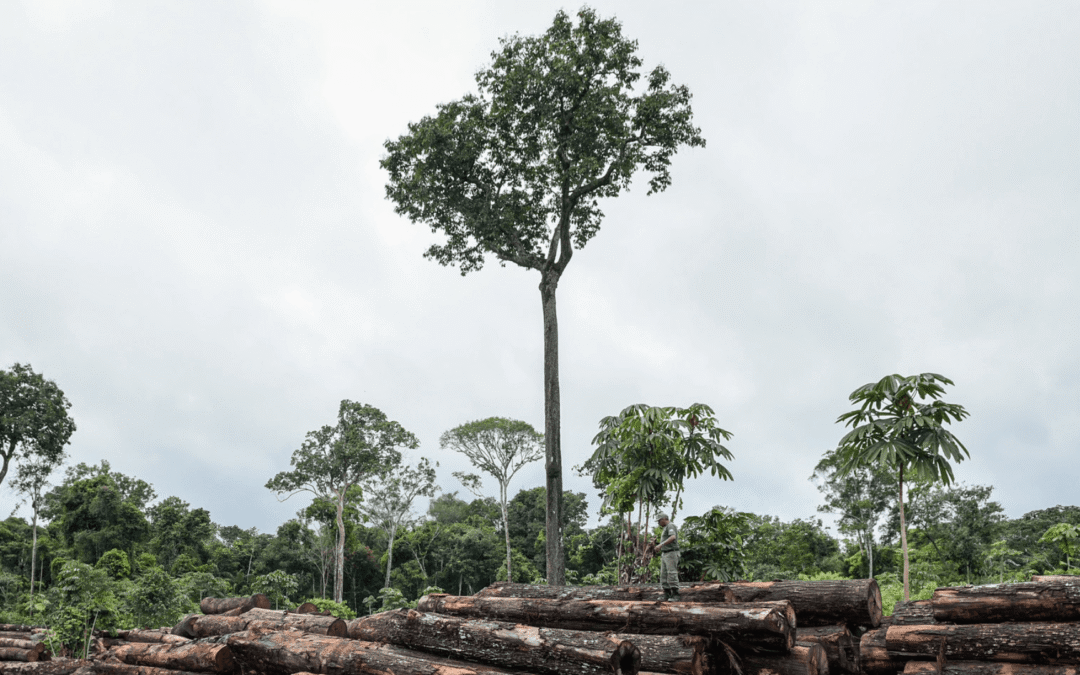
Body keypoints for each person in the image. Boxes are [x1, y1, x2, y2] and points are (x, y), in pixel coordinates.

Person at [655, 513, 680, 601]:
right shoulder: (665, 528)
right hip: (665, 553)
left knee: (671, 573)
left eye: (659, 520)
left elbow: (673, 537)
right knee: (664, 575)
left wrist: (661, 545)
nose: (658, 523)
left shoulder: (671, 525)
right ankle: (667, 594)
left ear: (664, 518)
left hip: (671, 553)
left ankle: (676, 595)